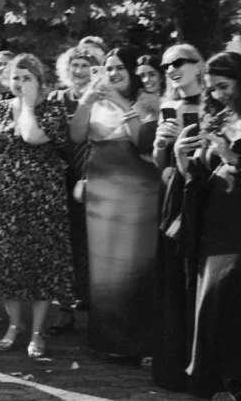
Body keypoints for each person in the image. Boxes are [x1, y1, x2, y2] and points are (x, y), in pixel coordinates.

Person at [0, 54, 75, 359]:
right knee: (8, 266)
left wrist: (29, 106)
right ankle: (14, 325)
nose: (19, 83)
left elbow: (32, 136)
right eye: (16, 78)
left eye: (27, 78)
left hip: (44, 202)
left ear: (40, 80)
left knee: (40, 267)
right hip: (6, 201)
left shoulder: (53, 108)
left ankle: (36, 333)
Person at [70, 46, 160, 360]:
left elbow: (144, 142)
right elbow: (77, 134)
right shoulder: (95, 99)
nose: (113, 74)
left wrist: (121, 102)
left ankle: (137, 342)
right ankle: (105, 340)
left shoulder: (149, 102)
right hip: (101, 189)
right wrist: (86, 102)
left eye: (120, 67)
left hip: (137, 190)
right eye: (108, 68)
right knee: (103, 265)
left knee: (133, 263)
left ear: (134, 70)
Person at [150, 44, 220, 395]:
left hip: (207, 195)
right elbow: (159, 164)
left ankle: (203, 366)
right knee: (172, 276)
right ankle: (173, 364)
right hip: (174, 195)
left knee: (200, 277)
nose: (171, 69)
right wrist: (163, 146)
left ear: (198, 66)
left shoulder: (216, 106)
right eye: (166, 65)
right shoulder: (169, 107)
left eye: (178, 62)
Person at [173, 52, 241, 400]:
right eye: (212, 89)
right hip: (213, 225)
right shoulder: (217, 118)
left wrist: (232, 158)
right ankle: (221, 381)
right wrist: (182, 156)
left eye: (224, 86)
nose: (217, 94)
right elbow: (195, 176)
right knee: (212, 307)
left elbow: (230, 163)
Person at [48, 45, 103, 333]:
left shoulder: (104, 97)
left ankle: (97, 310)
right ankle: (65, 309)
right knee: (67, 245)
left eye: (85, 65)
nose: (79, 71)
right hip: (65, 177)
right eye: (75, 65)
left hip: (99, 175)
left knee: (96, 245)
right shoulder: (58, 98)